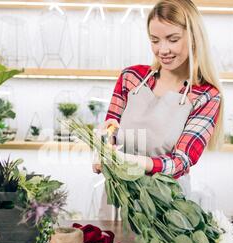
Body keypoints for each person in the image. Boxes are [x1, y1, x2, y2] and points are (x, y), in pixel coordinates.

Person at [94, 0, 223, 199]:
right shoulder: (131, 78)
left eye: (173, 39)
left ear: (194, 38)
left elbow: (179, 162)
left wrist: (129, 161)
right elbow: (111, 129)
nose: (163, 50)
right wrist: (103, 145)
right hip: (119, 196)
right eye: (155, 40)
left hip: (167, 204)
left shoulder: (205, 95)